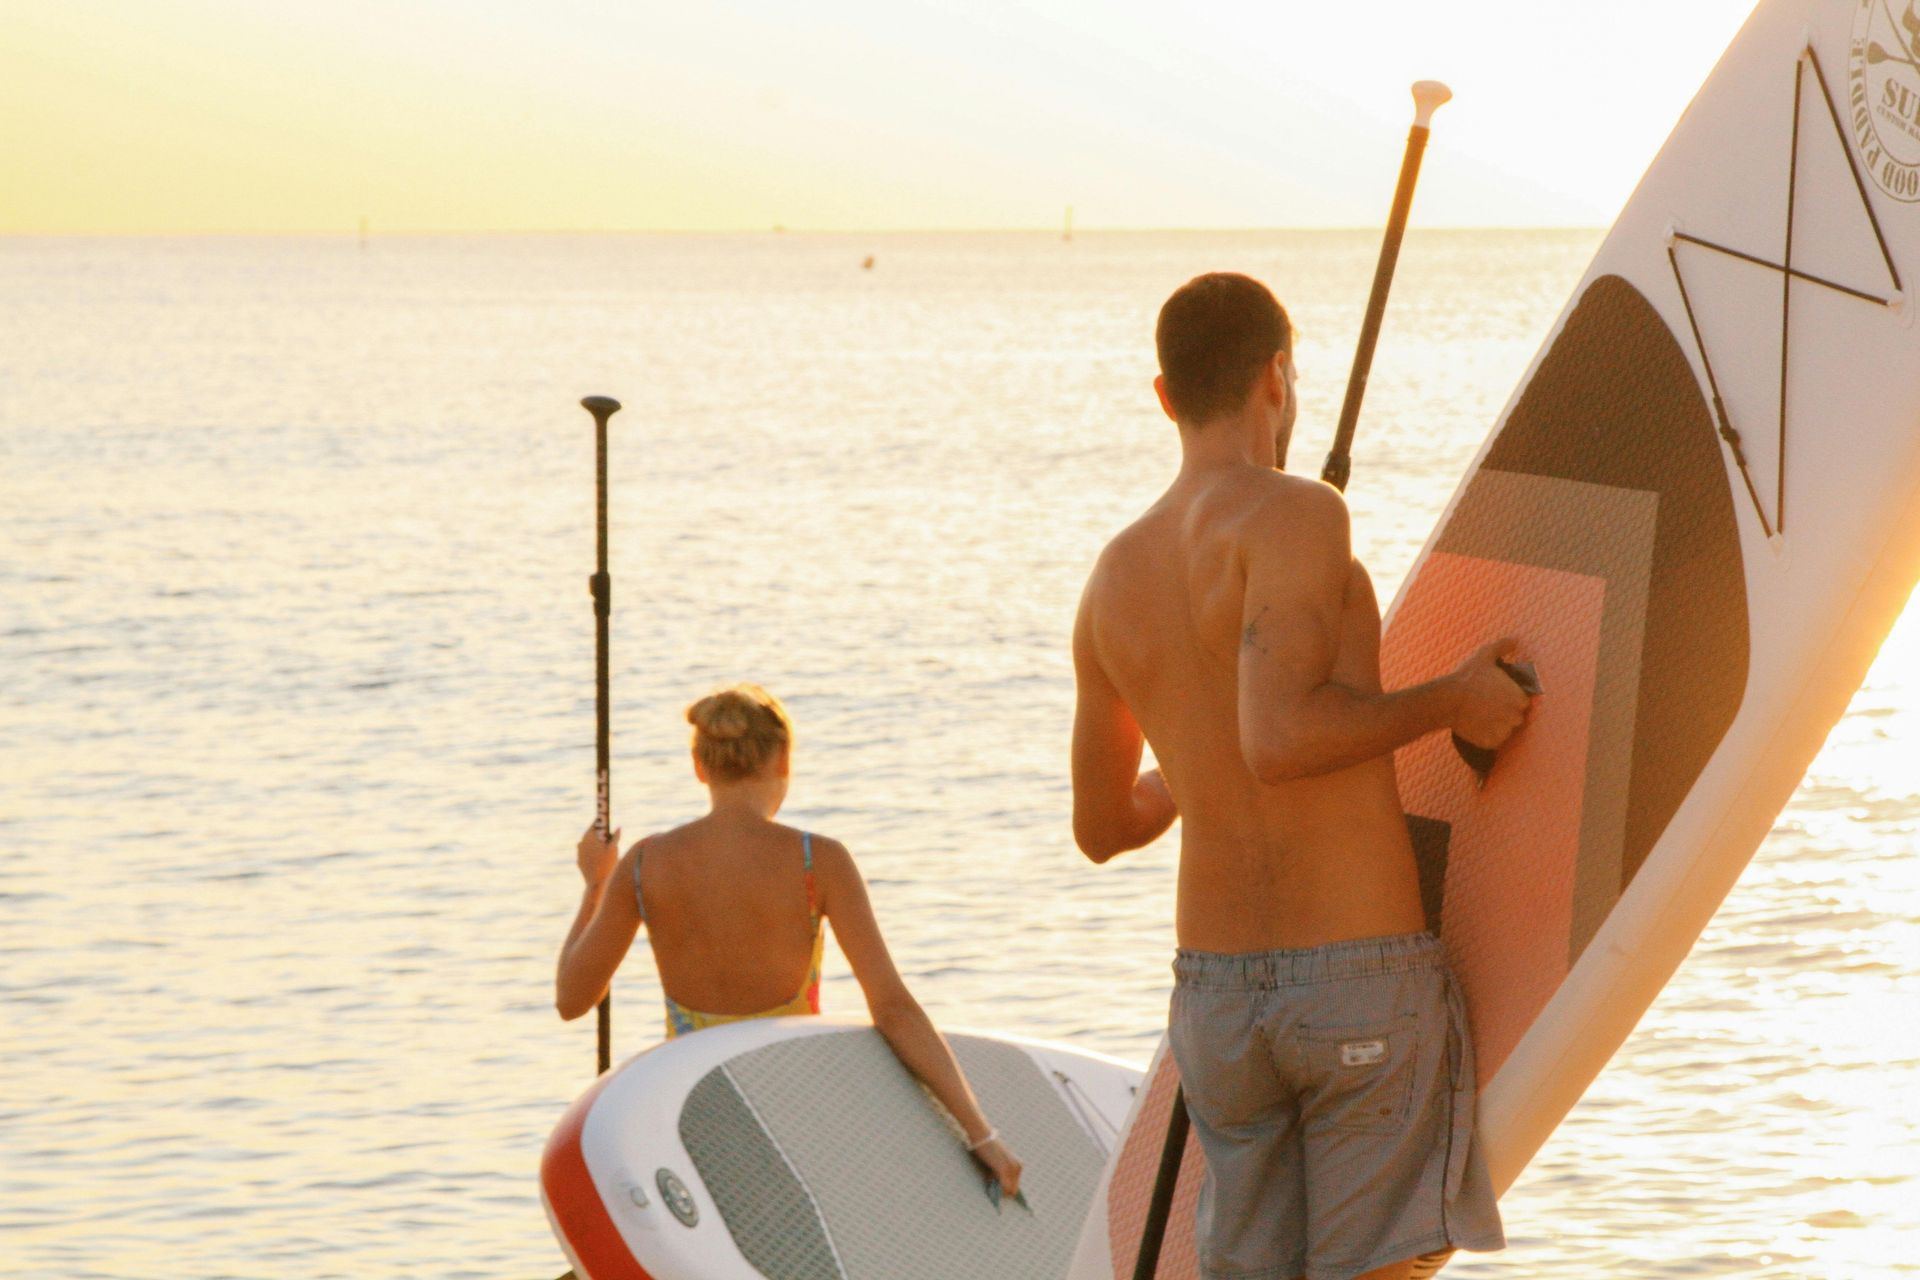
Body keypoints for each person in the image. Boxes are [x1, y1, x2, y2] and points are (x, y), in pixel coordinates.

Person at [1070, 273, 1531, 1280]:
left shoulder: (1111, 578)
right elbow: (1279, 737)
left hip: (1219, 1006)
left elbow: (1104, 822)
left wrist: (1193, 765)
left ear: (1164, 394)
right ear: (1277, 375)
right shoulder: (1296, 512)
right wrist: (1452, 699)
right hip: (1353, 975)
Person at [556, 683, 1021, 1196]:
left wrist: (597, 884)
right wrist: (982, 1133)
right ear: (782, 760)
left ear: (698, 765)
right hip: (795, 1113)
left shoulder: (643, 864)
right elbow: (894, 1011)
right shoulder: (818, 861)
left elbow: (573, 999)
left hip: (695, 1117)